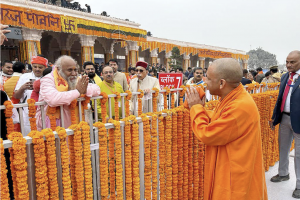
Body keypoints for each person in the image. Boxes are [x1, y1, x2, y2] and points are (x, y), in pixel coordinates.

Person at [185, 58, 267, 200]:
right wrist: (200, 109)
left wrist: (196, 108)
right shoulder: (232, 97)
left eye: (209, 79)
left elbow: (207, 134)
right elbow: (220, 119)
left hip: (235, 175)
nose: (205, 82)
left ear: (222, 83)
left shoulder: (240, 106)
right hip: (229, 166)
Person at [36, 55, 100, 130]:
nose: (73, 73)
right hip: (54, 124)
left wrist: (84, 90)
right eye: (69, 70)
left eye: (75, 70)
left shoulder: (75, 79)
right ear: (59, 69)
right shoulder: (48, 79)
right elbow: (53, 99)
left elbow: (97, 89)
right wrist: (78, 92)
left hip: (74, 122)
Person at [270, 50, 300, 199]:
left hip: (299, 122)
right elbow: (280, 99)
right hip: (284, 119)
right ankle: (283, 174)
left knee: (299, 155)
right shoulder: (284, 77)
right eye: (287, 62)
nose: (288, 65)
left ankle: (299, 186)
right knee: (283, 148)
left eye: (292, 62)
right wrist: (275, 117)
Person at [14, 55, 48, 135]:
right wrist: (22, 88)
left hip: (45, 112)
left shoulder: (48, 77)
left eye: (40, 67)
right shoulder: (24, 77)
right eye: (35, 66)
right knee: (29, 137)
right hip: (27, 113)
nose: (37, 69)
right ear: (31, 67)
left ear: (45, 68)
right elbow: (16, 96)